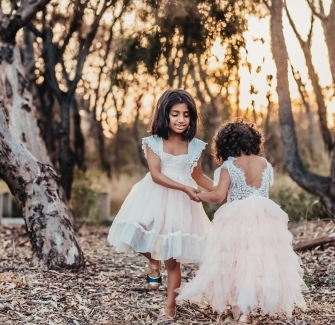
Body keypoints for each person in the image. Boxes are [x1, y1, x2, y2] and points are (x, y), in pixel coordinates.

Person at [176, 119, 307, 323]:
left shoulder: (229, 166)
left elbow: (219, 196)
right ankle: (256, 302)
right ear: (253, 140)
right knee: (260, 259)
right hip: (264, 216)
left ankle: (240, 306)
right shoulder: (265, 164)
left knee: (235, 260)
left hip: (237, 218)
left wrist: (197, 195)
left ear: (226, 144)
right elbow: (259, 191)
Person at [108, 89, 214, 321]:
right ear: (164, 114)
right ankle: (152, 261)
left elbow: (198, 177)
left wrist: (218, 188)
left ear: (192, 118)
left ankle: (170, 307)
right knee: (134, 229)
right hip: (154, 194)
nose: (180, 119)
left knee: (173, 259)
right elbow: (156, 175)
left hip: (181, 205)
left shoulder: (194, 145)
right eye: (175, 114)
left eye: (186, 115)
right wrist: (184, 188)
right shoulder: (154, 142)